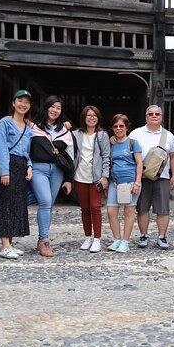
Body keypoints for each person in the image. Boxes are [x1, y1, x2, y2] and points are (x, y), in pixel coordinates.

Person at [30, 95, 75, 257]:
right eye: (52, 106)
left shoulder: (65, 130)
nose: (55, 110)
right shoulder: (33, 127)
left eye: (59, 108)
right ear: (46, 107)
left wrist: (69, 179)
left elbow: (70, 155)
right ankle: (44, 240)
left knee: (48, 205)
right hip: (38, 168)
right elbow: (26, 149)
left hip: (57, 170)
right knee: (45, 201)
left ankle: (42, 239)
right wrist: (28, 167)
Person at [0, 90, 33, 259]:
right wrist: (4, 171)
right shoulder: (5, 123)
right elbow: (0, 147)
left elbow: (28, 151)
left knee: (16, 204)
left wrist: (29, 166)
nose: (23, 104)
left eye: (27, 102)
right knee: (5, 204)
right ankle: (5, 245)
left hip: (21, 166)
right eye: (20, 101)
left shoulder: (28, 128)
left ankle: (10, 242)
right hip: (8, 165)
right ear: (13, 103)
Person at [129, 105, 174, 249]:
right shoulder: (135, 134)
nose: (154, 116)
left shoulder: (168, 135)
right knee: (142, 208)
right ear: (146, 117)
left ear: (161, 117)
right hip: (141, 177)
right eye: (151, 114)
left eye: (157, 114)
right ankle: (143, 235)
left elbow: (173, 156)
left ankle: (162, 237)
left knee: (163, 209)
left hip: (162, 177)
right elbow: (125, 149)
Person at [72, 105, 110, 253]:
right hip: (80, 176)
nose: (92, 118)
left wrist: (105, 176)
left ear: (98, 118)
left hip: (96, 178)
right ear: (84, 118)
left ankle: (97, 239)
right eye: (89, 115)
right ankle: (88, 236)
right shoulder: (76, 134)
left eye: (94, 115)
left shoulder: (102, 135)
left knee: (95, 207)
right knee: (85, 209)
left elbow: (106, 157)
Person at [106, 114, 143, 253]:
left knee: (129, 211)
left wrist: (137, 183)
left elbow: (139, 163)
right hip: (114, 182)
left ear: (127, 127)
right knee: (111, 211)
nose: (118, 128)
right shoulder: (111, 143)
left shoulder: (133, 143)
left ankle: (125, 241)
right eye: (115, 126)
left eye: (121, 126)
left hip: (131, 182)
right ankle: (117, 239)